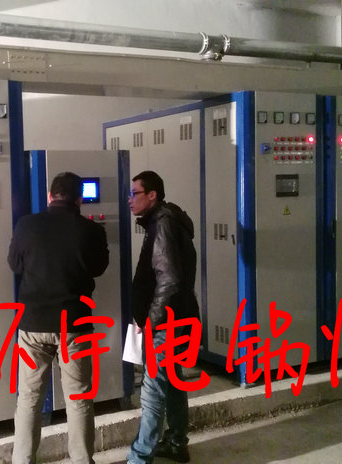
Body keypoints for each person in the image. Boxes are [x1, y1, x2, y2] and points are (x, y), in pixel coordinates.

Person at [8, 171, 109, 464]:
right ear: (80, 199)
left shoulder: (26, 225)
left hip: (33, 325)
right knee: (78, 398)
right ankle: (81, 460)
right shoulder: (92, 230)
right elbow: (98, 268)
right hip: (75, 324)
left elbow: (15, 265)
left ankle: (22, 460)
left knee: (29, 399)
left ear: (50, 196)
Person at [125, 170, 199, 464]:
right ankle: (177, 442)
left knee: (152, 390)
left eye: (135, 193)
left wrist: (150, 320)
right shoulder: (165, 221)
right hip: (178, 317)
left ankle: (139, 457)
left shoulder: (163, 225)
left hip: (165, 324)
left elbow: (169, 281)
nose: (130, 200)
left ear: (152, 195)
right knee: (174, 382)